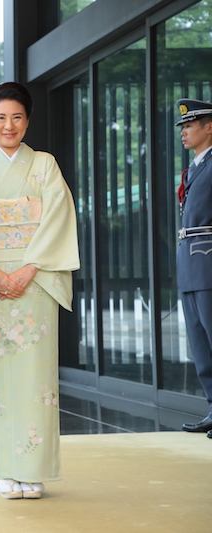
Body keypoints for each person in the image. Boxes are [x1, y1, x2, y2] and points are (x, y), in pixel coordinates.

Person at [0, 82, 79, 499]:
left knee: (36, 377)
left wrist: (29, 269)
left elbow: (59, 218)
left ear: (27, 120)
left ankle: (33, 466)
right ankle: (3, 467)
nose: (9, 125)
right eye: (0, 117)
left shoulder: (44, 164)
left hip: (36, 280)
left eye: (17, 117)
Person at [174, 98, 212, 439]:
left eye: (189, 125)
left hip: (209, 261)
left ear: (209, 127)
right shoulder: (196, 167)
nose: (184, 132)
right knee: (200, 342)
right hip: (191, 263)